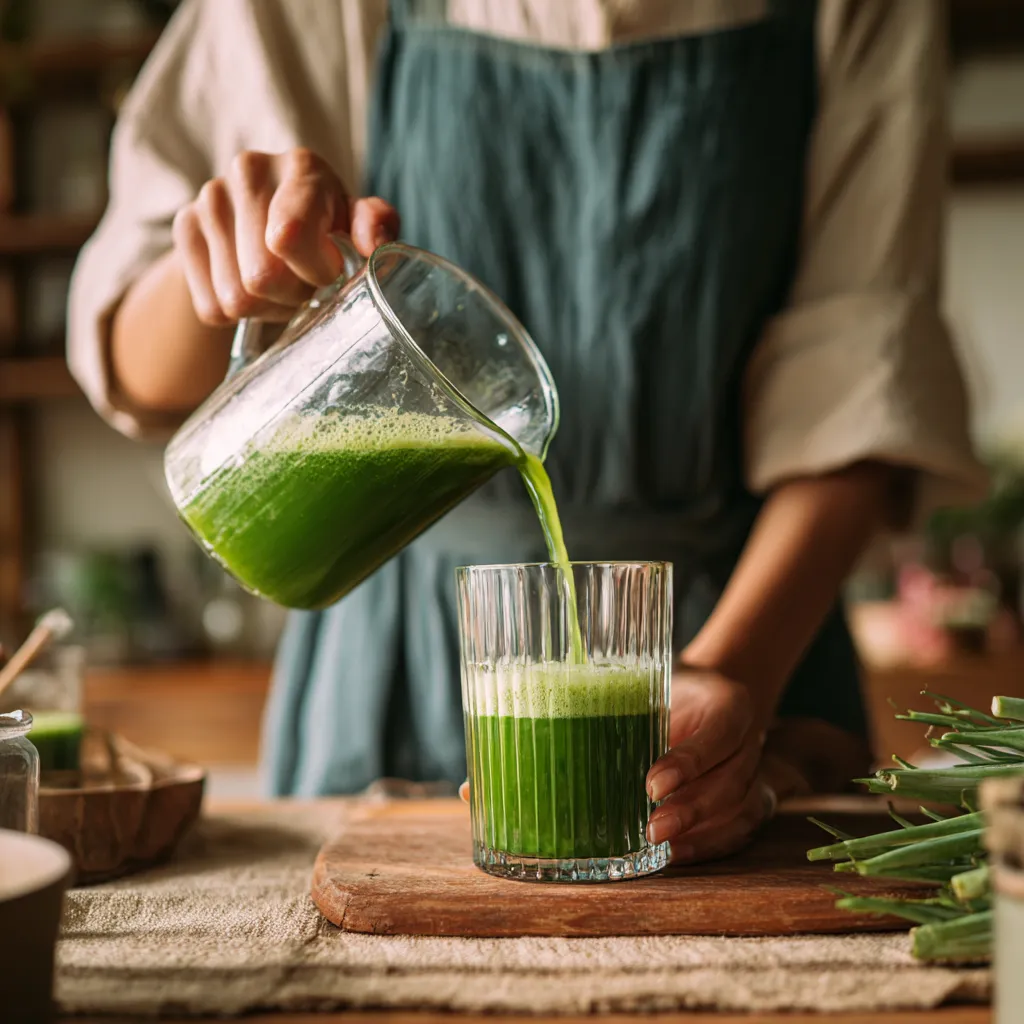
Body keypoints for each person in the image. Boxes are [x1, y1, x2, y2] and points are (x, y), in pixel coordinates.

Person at [68, 0, 986, 864]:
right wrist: (227, 271)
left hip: (743, 647)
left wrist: (728, 676)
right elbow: (130, 360)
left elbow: (867, 379)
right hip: (392, 645)